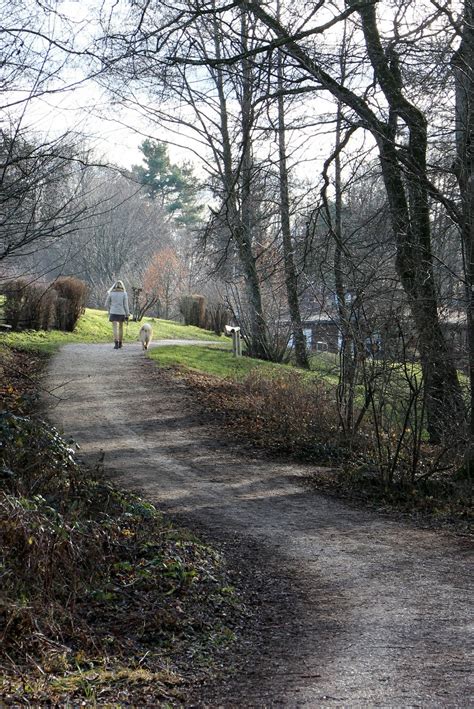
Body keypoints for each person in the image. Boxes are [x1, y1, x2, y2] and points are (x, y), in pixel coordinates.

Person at [105, 280, 130, 349]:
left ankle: (116, 343)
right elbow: (125, 305)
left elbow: (106, 304)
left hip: (113, 312)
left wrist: (109, 310)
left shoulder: (111, 293)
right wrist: (127, 314)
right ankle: (120, 343)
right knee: (121, 328)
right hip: (121, 313)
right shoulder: (124, 294)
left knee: (114, 328)